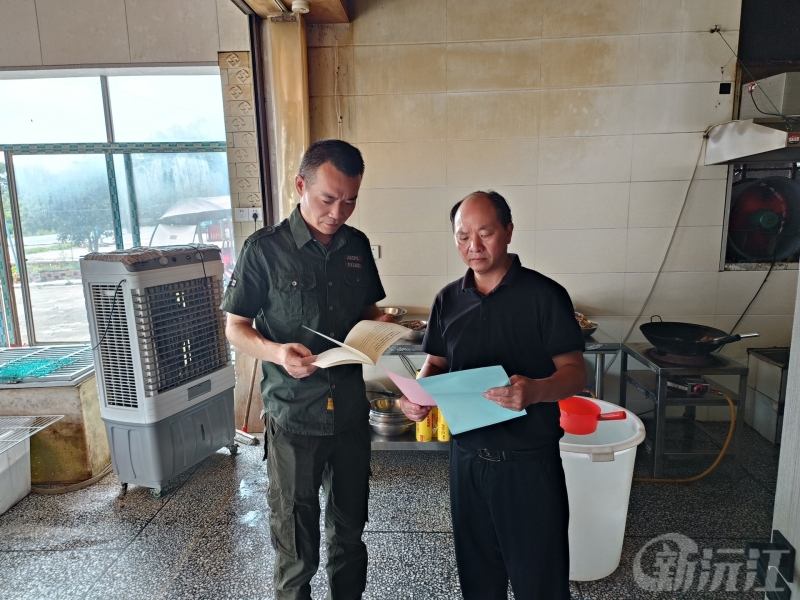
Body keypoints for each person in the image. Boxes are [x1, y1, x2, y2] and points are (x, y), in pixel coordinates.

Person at [221, 139, 393, 600]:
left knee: (350, 535)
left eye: (350, 201)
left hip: (350, 415)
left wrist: (382, 328)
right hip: (294, 415)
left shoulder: (356, 246)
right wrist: (278, 353)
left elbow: (368, 313)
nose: (338, 212)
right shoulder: (264, 249)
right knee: (296, 546)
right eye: (328, 198)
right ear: (301, 185)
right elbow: (235, 327)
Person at [399, 191, 587, 599]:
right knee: (478, 580)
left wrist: (535, 391)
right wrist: (417, 395)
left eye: (485, 233)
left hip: (528, 465)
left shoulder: (544, 296)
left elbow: (575, 373)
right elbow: (436, 363)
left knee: (539, 582)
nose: (474, 246)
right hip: (466, 461)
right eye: (463, 236)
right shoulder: (447, 300)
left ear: (508, 232)